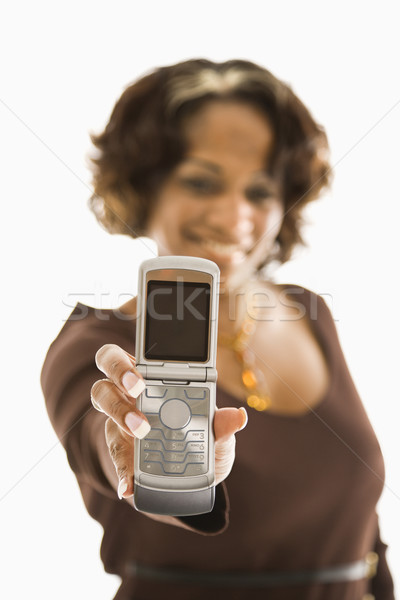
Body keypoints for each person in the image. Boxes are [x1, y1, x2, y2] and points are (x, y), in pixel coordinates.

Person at [40, 58, 395, 599]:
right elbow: (98, 440)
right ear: (145, 187)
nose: (234, 218)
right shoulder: (95, 342)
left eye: (259, 191)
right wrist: (133, 452)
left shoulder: (308, 311)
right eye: (202, 182)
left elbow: (362, 532)